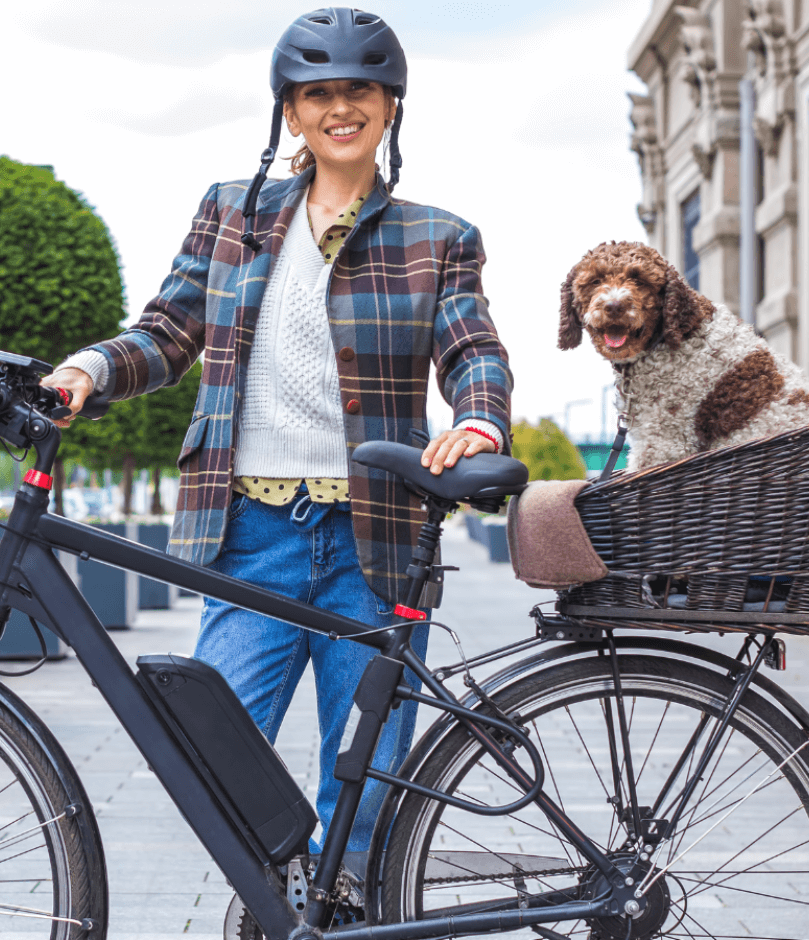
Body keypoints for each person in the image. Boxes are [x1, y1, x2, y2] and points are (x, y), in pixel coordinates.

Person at [44, 7, 512, 855]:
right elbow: (169, 330)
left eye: (359, 90)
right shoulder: (233, 212)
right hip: (251, 530)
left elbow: (471, 344)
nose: (341, 107)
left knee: (365, 795)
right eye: (319, 92)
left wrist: (479, 418)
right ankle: (284, 892)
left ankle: (346, 909)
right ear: (290, 111)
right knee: (210, 760)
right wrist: (92, 369)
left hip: (374, 540)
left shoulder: (437, 237)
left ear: (390, 105)